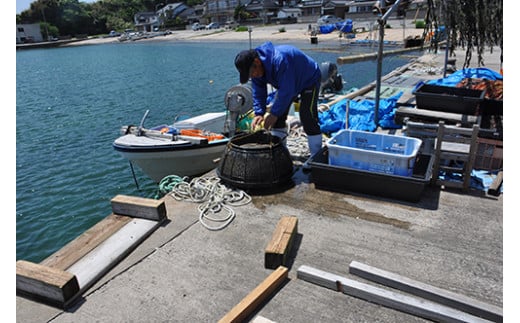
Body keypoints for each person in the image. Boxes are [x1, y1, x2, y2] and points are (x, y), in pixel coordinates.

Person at [234, 41, 323, 157]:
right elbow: (259, 92)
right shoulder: (256, 70)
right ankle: (280, 153)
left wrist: (274, 114)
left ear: (257, 62)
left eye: (252, 73)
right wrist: (259, 113)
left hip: (309, 79)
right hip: (288, 84)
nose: (252, 76)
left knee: (307, 116)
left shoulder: (279, 60)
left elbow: (287, 91)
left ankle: (316, 156)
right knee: (278, 118)